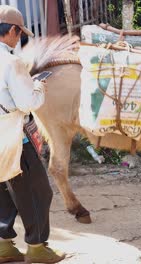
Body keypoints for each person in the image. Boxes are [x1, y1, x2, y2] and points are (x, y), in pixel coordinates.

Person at [0, 5, 65, 263]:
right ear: (13, 30)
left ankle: (4, 245)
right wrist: (38, 86)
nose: (19, 38)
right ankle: (37, 248)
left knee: (3, 187)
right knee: (38, 190)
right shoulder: (12, 62)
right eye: (19, 33)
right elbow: (27, 103)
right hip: (12, 136)